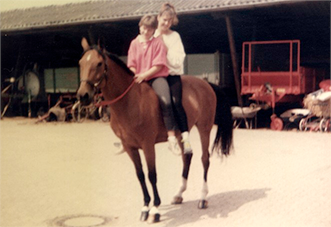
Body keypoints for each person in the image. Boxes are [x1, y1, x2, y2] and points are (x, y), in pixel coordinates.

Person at [127, 15, 180, 155]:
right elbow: (131, 64)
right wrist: (133, 75)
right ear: (140, 26)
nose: (145, 32)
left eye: (149, 30)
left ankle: (171, 138)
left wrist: (144, 75)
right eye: (144, 28)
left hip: (155, 77)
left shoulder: (157, 43)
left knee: (166, 102)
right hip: (138, 77)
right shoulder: (134, 43)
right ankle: (128, 137)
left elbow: (158, 65)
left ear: (154, 30)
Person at [154, 3, 192, 154]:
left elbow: (177, 61)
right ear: (158, 18)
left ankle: (185, 138)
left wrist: (164, 46)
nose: (166, 23)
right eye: (164, 19)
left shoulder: (174, 36)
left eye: (170, 21)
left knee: (176, 102)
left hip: (171, 74)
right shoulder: (151, 34)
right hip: (154, 74)